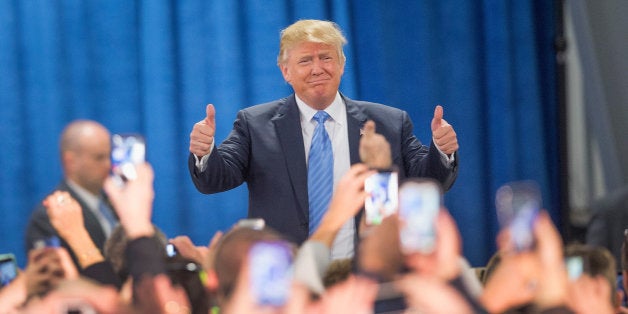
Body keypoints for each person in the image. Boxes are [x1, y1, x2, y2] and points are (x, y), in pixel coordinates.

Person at [188, 19, 460, 259]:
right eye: (305, 60)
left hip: (365, 276)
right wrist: (205, 152)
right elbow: (216, 179)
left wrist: (442, 151)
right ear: (285, 71)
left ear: (342, 65)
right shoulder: (255, 124)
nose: (318, 68)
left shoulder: (388, 122)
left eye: (326, 58)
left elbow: (429, 181)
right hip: (289, 279)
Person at [25, 120, 119, 269]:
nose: (108, 165)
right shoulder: (50, 215)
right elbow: (53, 280)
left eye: (109, 156)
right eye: (99, 158)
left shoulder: (115, 203)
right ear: (71, 161)